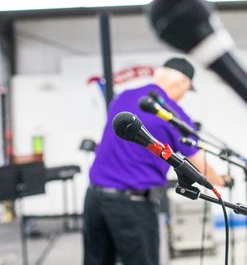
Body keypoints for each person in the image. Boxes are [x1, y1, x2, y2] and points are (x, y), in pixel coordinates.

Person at [84, 57, 228, 265]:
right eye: (187, 90)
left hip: (94, 199)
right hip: (133, 206)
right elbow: (200, 166)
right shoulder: (173, 116)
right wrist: (221, 180)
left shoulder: (123, 97)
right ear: (183, 83)